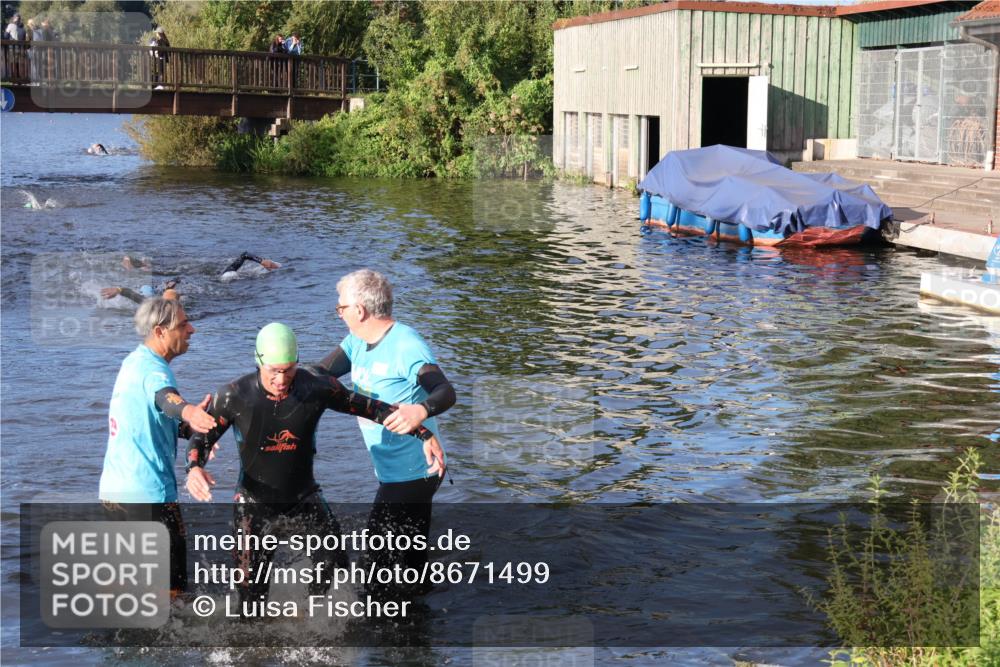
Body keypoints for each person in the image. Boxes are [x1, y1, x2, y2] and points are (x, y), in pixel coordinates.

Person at [185, 323, 443, 615]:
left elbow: (371, 407)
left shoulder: (316, 386)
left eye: (288, 370)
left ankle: (313, 623)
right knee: (251, 605)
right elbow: (201, 437)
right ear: (259, 362)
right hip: (253, 506)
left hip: (305, 498)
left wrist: (422, 433)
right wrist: (194, 467)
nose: (282, 379)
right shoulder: (233, 395)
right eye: (273, 371)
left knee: (336, 568)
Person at [316, 269, 453, 596]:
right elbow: (319, 374)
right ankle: (425, 627)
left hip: (413, 472)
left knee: (374, 571)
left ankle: (384, 632)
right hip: (395, 472)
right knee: (412, 567)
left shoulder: (406, 345)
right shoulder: (356, 343)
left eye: (341, 308)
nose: (339, 314)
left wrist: (420, 410)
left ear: (359, 310)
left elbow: (445, 391)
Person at [98, 298, 216, 595]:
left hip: (114, 493)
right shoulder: (155, 371)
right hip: (148, 496)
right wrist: (190, 412)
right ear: (161, 331)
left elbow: (152, 415)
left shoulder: (133, 362)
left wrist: (191, 427)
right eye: (184, 324)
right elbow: (167, 399)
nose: (192, 329)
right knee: (171, 592)